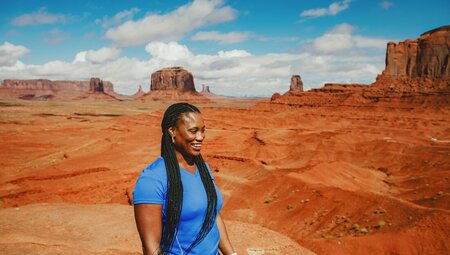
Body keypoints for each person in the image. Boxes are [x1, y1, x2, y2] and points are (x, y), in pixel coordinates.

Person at [133, 103, 236, 255]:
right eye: (193, 131)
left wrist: (232, 254)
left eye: (203, 130)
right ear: (172, 131)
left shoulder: (203, 168)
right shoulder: (152, 179)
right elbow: (151, 247)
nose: (200, 137)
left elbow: (211, 215)